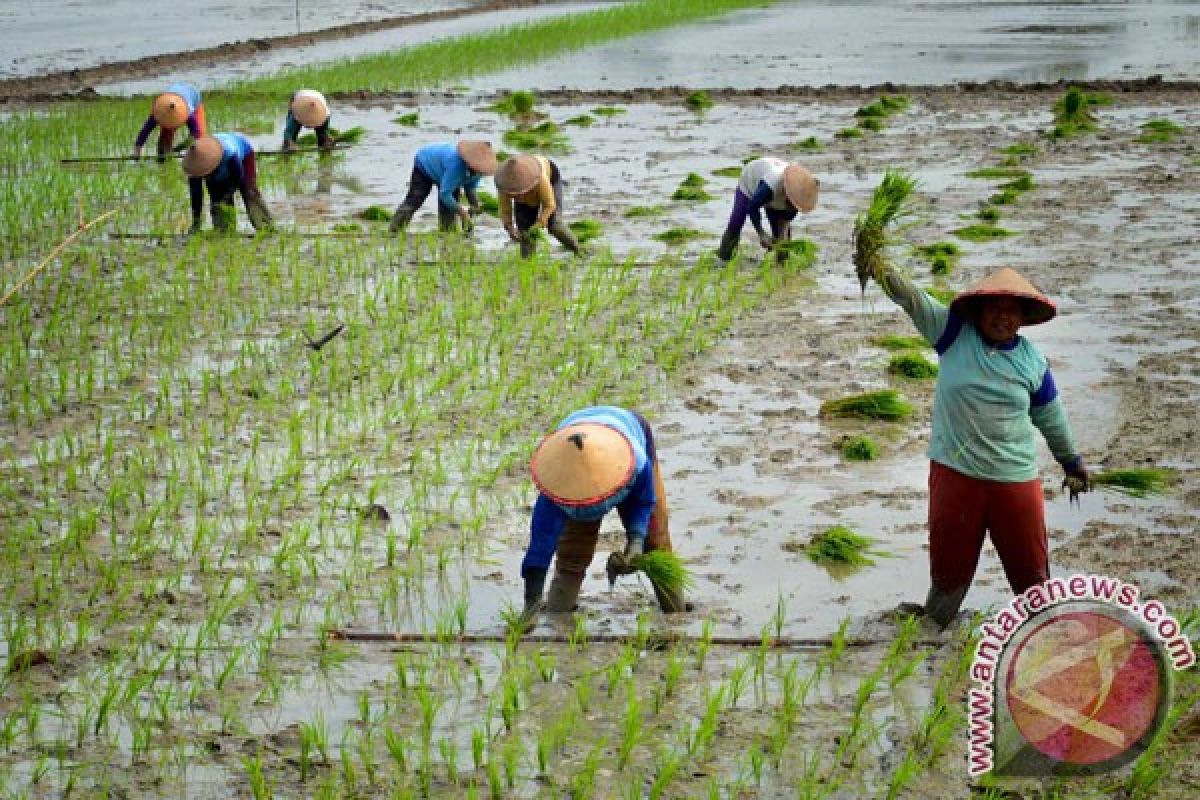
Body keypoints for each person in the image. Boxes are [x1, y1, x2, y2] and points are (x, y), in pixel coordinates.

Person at [866, 264, 1089, 627]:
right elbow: (912, 298)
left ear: (1023, 317)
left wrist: (1071, 462)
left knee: (1032, 581)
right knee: (947, 582)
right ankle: (931, 640)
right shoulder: (952, 333)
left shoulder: (1032, 363)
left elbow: (1051, 417)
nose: (1003, 316)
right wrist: (878, 264)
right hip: (956, 478)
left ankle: (1043, 639)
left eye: (1012, 309)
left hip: (1013, 482)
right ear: (979, 310)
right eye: (994, 307)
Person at [519, 406, 685, 627]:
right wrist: (531, 603)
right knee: (572, 553)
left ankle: (676, 614)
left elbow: (644, 501)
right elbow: (540, 546)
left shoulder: (635, 460)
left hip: (626, 430)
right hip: (573, 437)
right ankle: (558, 618)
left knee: (655, 541)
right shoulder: (556, 488)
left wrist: (636, 541)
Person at [717, 157, 818, 261]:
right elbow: (752, 207)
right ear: (787, 194)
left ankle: (781, 265)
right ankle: (724, 258)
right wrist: (762, 234)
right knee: (737, 220)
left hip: (776, 192)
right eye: (790, 205)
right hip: (751, 180)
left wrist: (782, 237)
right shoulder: (770, 185)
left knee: (782, 237)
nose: (791, 208)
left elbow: (785, 222)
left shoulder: (798, 198)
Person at [388, 141, 497, 234]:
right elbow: (445, 194)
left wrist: (475, 206)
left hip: (444, 171)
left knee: (448, 208)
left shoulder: (479, 171)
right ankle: (394, 231)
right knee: (415, 200)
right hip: (425, 164)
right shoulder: (456, 166)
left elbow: (470, 189)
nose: (478, 173)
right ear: (469, 163)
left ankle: (447, 234)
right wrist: (463, 213)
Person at [493, 154, 582, 258]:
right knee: (526, 232)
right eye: (513, 195)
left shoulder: (541, 179)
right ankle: (528, 262)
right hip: (528, 192)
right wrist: (509, 227)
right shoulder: (504, 185)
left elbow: (549, 205)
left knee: (555, 226)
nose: (516, 197)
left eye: (518, 194)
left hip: (550, 179)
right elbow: (505, 209)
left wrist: (540, 222)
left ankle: (577, 250)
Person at [181, 134, 274, 234]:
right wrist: (196, 223)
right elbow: (196, 196)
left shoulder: (229, 154)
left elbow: (238, 177)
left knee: (249, 191)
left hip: (243, 156)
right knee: (217, 198)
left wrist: (228, 193)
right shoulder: (193, 166)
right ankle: (224, 230)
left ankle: (265, 227)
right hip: (221, 166)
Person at [134, 82, 207, 160]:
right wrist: (137, 151)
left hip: (193, 96)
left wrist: (178, 148)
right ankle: (162, 160)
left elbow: (196, 132)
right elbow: (145, 131)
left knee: (200, 140)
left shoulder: (188, 112)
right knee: (166, 137)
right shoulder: (158, 111)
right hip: (172, 94)